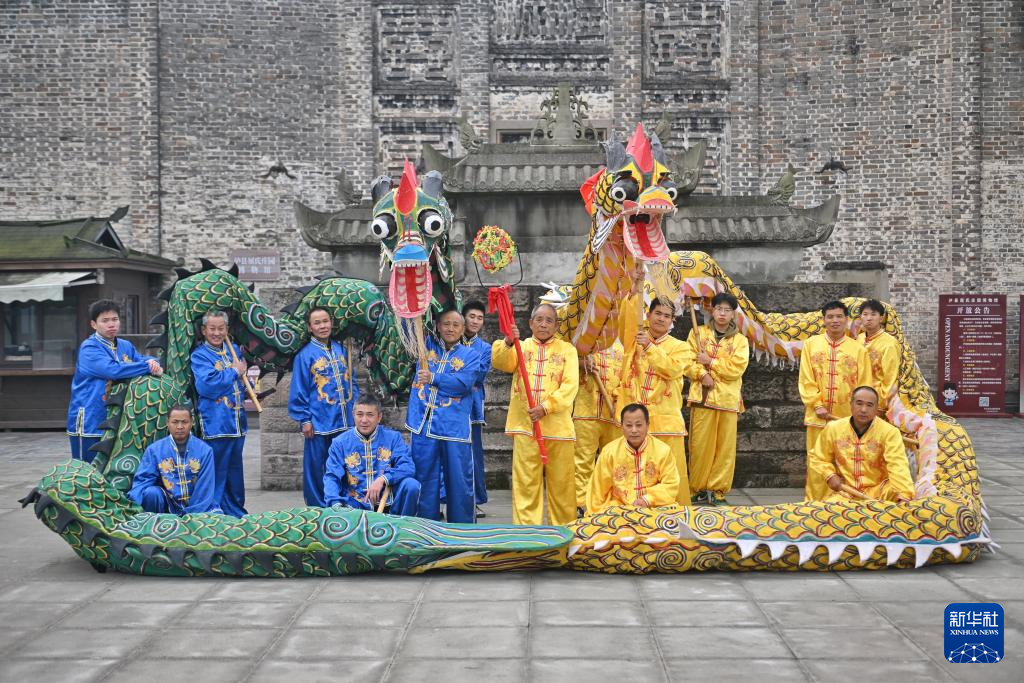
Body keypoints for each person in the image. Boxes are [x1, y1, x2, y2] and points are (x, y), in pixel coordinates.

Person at [492, 303, 579, 526]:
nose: (543, 324)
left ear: (556, 326)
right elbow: (500, 362)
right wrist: (509, 341)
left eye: (549, 320)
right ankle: (527, 534)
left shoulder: (567, 350)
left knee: (562, 486)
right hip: (525, 427)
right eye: (539, 319)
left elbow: (570, 387)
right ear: (530, 323)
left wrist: (545, 407)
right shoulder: (520, 346)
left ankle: (564, 530)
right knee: (526, 485)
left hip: (558, 429)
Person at [406, 309, 480, 523]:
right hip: (422, 423)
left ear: (463, 329)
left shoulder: (471, 355)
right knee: (424, 478)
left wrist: (433, 378)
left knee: (458, 480)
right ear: (438, 326)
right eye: (446, 324)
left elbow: (463, 384)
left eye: (456, 325)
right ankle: (425, 525)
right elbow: (407, 330)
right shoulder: (423, 346)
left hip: (453, 427)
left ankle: (461, 529)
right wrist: (413, 306)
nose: (450, 328)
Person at [618, 295, 692, 505]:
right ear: (648, 315)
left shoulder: (681, 347)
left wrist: (650, 347)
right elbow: (625, 320)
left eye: (667, 316)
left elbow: (673, 369)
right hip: (638, 424)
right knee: (637, 474)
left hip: (667, 423)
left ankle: (677, 518)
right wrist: (633, 292)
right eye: (657, 313)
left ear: (672, 321)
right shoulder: (634, 341)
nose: (661, 319)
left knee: (673, 474)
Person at [67, 300, 162, 462]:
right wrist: (148, 367)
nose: (111, 324)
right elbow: (113, 370)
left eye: (115, 319)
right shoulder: (89, 348)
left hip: (118, 421)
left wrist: (154, 362)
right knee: (88, 470)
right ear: (93, 324)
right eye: (105, 320)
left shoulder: (125, 345)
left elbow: (142, 359)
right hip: (91, 421)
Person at [798, 300, 873, 501]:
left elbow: (865, 386)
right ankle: (814, 503)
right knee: (816, 461)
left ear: (847, 320)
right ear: (823, 320)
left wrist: (860, 415)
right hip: (818, 418)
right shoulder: (811, 345)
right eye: (830, 317)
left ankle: (841, 505)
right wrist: (816, 404)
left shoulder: (858, 350)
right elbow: (806, 379)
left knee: (844, 463)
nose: (835, 320)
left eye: (839, 316)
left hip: (846, 419)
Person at [288, 307, 359, 507]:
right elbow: (299, 389)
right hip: (318, 422)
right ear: (310, 327)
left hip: (344, 420)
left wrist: (355, 409)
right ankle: (317, 505)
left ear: (332, 323)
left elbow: (352, 382)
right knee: (317, 466)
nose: (322, 326)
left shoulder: (342, 350)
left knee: (345, 462)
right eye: (317, 323)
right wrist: (304, 419)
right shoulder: (305, 356)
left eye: (325, 321)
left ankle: (341, 502)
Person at [685, 292, 749, 506]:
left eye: (727, 310)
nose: (722, 313)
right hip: (703, 398)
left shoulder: (740, 341)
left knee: (725, 449)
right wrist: (702, 374)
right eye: (719, 309)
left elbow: (736, 369)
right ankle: (697, 488)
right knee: (699, 446)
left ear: (733, 314)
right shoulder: (698, 333)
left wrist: (710, 362)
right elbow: (687, 361)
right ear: (712, 310)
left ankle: (718, 491)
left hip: (728, 400)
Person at [807, 386, 915, 503]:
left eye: (869, 405)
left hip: (880, 492)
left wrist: (904, 495)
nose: (863, 409)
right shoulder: (833, 428)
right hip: (846, 493)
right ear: (851, 405)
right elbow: (818, 457)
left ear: (876, 409)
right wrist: (830, 475)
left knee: (899, 495)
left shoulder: (890, 432)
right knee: (824, 510)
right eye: (859, 403)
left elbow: (898, 465)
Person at [190, 310, 249, 517]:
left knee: (235, 471)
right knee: (216, 470)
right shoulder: (199, 355)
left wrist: (243, 381)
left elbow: (239, 381)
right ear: (203, 330)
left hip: (237, 422)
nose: (216, 333)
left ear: (227, 329)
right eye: (212, 329)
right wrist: (234, 372)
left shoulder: (234, 350)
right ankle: (213, 510)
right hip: (216, 422)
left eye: (221, 328)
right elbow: (207, 386)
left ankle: (236, 510)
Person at [323, 395, 420, 515]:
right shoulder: (340, 443)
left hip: (388, 503)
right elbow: (332, 477)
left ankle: (402, 524)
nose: (364, 420)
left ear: (379, 417)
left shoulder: (393, 438)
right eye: (359, 414)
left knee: (411, 485)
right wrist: (335, 505)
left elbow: (407, 467)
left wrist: (383, 479)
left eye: (370, 415)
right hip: (354, 504)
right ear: (353, 415)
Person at [586, 403, 680, 513]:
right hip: (620, 509)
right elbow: (597, 490)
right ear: (622, 426)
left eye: (639, 425)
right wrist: (594, 516)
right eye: (629, 425)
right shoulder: (609, 452)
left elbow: (671, 485)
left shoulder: (663, 450)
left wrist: (647, 499)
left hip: (654, 506)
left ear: (647, 425)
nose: (634, 430)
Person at [128, 404, 222, 514]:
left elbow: (205, 487)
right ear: (167, 423)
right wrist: (133, 506)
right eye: (175, 422)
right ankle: (158, 519)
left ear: (192, 423)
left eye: (184, 422)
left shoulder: (205, 451)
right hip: (168, 506)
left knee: (216, 520)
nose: (180, 427)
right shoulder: (154, 450)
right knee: (151, 493)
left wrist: (191, 514)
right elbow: (143, 482)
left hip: (199, 505)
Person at [571, 341, 624, 514]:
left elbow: (631, 376)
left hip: (615, 413)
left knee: (615, 462)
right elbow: (564, 360)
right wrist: (581, 363)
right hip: (586, 411)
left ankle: (614, 503)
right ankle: (580, 505)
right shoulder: (583, 341)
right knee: (582, 461)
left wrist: (617, 395)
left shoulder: (625, 343)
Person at [461, 299, 492, 518]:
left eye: (479, 318)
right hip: (448, 407)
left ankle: (474, 501)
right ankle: (444, 500)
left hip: (472, 408)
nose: (475, 321)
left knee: (473, 456)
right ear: (463, 317)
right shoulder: (449, 341)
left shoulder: (485, 348)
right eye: (471, 316)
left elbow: (477, 376)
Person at [857, 299, 900, 416]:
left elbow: (890, 378)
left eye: (873, 314)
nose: (869, 318)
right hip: (857, 396)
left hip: (876, 397)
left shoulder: (889, 343)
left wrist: (881, 404)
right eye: (865, 314)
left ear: (881, 318)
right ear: (860, 317)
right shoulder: (858, 339)